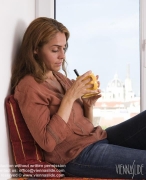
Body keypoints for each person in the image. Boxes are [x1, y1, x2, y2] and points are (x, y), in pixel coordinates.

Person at [11, 17, 146, 179]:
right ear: (35, 49)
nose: (62, 56)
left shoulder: (59, 78)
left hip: (98, 138)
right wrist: (70, 97)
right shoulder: (29, 87)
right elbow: (47, 143)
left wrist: (88, 105)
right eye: (55, 50)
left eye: (64, 48)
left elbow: (85, 127)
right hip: (76, 157)